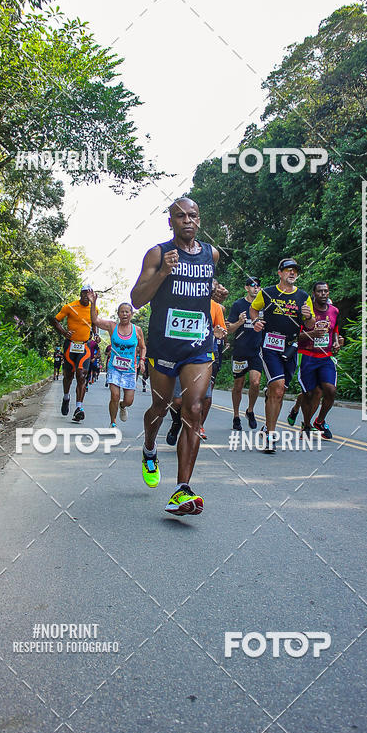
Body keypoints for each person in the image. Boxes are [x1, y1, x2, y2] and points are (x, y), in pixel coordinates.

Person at [130, 197, 227, 516]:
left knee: (194, 409)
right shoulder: (158, 253)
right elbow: (137, 298)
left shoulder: (210, 254)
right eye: (180, 216)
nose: (187, 220)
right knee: (159, 406)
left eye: (193, 215)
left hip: (198, 345)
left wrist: (214, 290)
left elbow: (201, 286)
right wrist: (163, 273)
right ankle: (148, 449)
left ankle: (181, 489)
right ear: (170, 221)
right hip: (164, 345)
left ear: (200, 220)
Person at [251, 258, 315, 453]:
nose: (292, 273)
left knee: (279, 391)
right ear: (280, 273)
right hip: (270, 345)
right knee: (278, 390)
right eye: (288, 270)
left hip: (290, 348)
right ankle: (270, 436)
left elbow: (311, 326)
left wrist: (308, 316)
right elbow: (254, 309)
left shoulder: (303, 297)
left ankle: (266, 424)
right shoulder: (268, 293)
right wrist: (256, 322)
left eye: (295, 270)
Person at [166, 296, 227, 445]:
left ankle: (196, 427)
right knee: (177, 400)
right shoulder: (179, 300)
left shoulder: (215, 307)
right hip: (180, 353)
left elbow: (222, 329)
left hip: (203, 355)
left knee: (204, 399)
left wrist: (219, 333)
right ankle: (176, 423)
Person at [287, 282, 344, 438]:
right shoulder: (305, 311)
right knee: (309, 393)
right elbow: (294, 336)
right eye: (320, 291)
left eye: (326, 291)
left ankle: (320, 420)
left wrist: (337, 342)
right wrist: (312, 334)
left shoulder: (334, 311)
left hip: (326, 357)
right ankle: (306, 425)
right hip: (307, 355)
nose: (323, 294)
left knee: (330, 390)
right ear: (314, 293)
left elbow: (335, 331)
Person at [91, 300, 146, 427]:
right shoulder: (112, 326)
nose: (125, 314)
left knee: (129, 400)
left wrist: (142, 361)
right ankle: (113, 422)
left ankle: (122, 406)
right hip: (114, 368)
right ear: (118, 314)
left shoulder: (137, 330)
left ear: (131, 314)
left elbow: (143, 347)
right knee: (114, 395)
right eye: (122, 312)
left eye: (127, 312)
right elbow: (95, 320)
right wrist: (93, 302)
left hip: (130, 369)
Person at [50, 285, 97, 421]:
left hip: (85, 346)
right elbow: (55, 320)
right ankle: (66, 397)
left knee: (81, 375)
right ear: (80, 294)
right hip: (70, 345)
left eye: (89, 294)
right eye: (84, 293)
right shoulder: (70, 307)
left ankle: (79, 407)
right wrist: (64, 332)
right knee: (68, 375)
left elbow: (94, 323)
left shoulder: (94, 309)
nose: (86, 296)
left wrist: (96, 334)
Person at [226, 277, 264, 431]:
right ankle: (236, 416)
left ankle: (250, 410)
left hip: (257, 350)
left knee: (255, 383)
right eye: (253, 286)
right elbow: (228, 330)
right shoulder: (238, 305)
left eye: (258, 286)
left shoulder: (263, 305)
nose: (256, 288)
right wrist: (239, 322)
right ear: (247, 288)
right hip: (241, 350)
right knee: (238, 385)